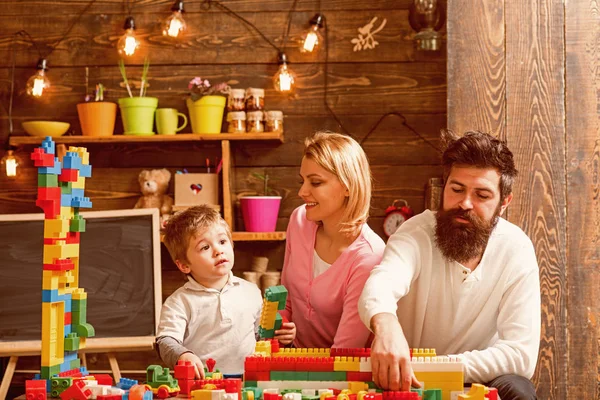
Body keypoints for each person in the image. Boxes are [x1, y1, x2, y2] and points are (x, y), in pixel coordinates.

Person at [358, 131, 540, 400]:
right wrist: (385, 325)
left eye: (482, 195)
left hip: (477, 380)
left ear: (504, 203)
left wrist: (442, 367)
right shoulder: (415, 232)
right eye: (456, 189)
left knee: (519, 389)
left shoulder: (517, 249)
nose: (465, 203)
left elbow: (520, 356)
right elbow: (381, 283)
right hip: (411, 380)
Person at [156, 205, 296, 378]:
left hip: (251, 380)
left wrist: (284, 338)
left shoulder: (251, 291)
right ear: (184, 265)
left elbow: (262, 338)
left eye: (222, 242)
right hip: (203, 385)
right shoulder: (179, 302)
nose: (218, 250)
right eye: (205, 247)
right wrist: (183, 356)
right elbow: (165, 341)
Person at [278, 131, 386, 348]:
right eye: (303, 181)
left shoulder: (368, 256)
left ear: (348, 186)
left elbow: (346, 349)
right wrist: (279, 328)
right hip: (295, 361)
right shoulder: (299, 220)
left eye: (316, 182)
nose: (302, 191)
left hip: (343, 372)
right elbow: (286, 298)